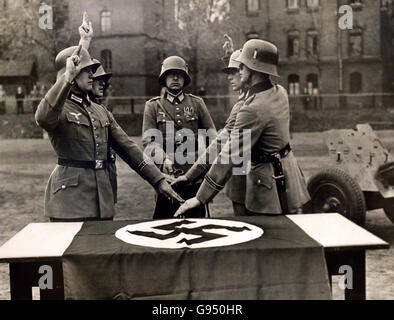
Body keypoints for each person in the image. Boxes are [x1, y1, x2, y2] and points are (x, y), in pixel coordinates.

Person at [35, 45, 183, 222]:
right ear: (71, 74)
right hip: (70, 202)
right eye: (85, 70)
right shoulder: (59, 109)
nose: (92, 75)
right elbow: (43, 118)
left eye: (92, 70)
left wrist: (157, 180)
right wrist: (66, 78)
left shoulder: (100, 111)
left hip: (101, 198)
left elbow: (128, 147)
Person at [174, 39, 310, 218]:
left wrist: (200, 198)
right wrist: (191, 175)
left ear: (253, 69)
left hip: (268, 186)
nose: (239, 70)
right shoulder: (279, 92)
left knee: (266, 240)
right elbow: (224, 138)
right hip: (287, 176)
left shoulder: (252, 108)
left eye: (242, 67)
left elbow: (230, 154)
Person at [172, 35, 248, 216]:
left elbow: (222, 145)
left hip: (253, 175)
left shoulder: (251, 104)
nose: (229, 78)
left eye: (235, 72)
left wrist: (197, 185)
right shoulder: (243, 101)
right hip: (239, 174)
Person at [143, 55, 216, 219]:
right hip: (167, 179)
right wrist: (163, 159)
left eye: (179, 74)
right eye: (171, 74)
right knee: (164, 226)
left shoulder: (197, 103)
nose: (175, 78)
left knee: (197, 225)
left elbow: (213, 137)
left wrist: (204, 167)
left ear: (185, 78)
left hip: (194, 177)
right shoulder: (153, 106)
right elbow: (149, 141)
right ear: (164, 78)